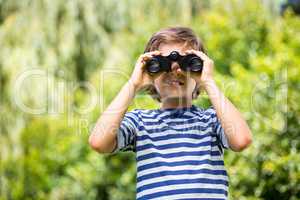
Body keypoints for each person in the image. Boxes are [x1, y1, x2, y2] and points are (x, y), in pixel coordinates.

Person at [89, 26, 252, 200]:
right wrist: (133, 84)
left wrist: (208, 82)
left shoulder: (211, 119)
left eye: (186, 62)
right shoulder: (139, 122)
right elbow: (99, 142)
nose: (176, 70)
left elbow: (242, 140)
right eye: (162, 64)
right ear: (149, 70)